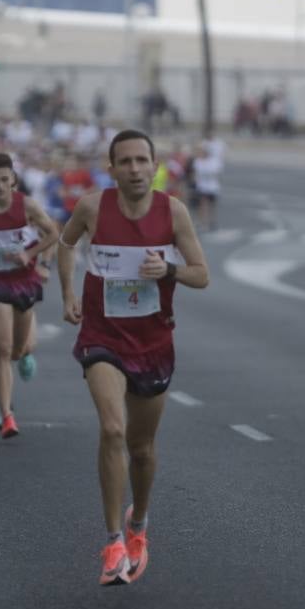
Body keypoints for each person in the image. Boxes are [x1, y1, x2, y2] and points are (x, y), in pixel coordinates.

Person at [57, 129, 209, 585]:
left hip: (153, 342)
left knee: (141, 448)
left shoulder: (173, 211)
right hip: (103, 335)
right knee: (112, 428)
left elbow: (202, 275)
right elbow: (65, 245)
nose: (135, 169)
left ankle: (138, 524)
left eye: (142, 160)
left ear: (154, 165)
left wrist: (169, 270)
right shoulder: (92, 207)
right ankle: (111, 542)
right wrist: (67, 292)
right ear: (113, 169)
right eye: (125, 162)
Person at [0, 152, 60, 439]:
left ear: (13, 181)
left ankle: (27, 352)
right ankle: (7, 415)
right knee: (3, 349)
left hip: (25, 282)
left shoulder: (27, 206)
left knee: (20, 349)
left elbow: (53, 233)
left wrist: (33, 256)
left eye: (4, 180)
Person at [190, 141, 221, 232]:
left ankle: (212, 221)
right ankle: (204, 222)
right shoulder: (198, 161)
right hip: (202, 186)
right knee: (203, 205)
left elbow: (215, 173)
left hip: (212, 187)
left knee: (212, 205)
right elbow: (195, 173)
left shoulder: (214, 161)